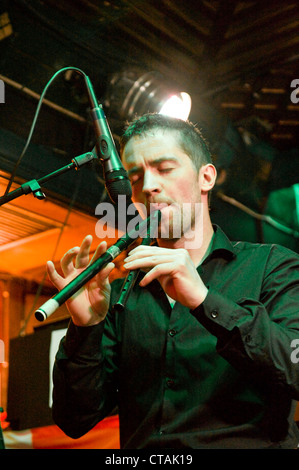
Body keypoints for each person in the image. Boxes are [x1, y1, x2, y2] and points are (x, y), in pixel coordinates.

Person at [49, 113, 299, 449]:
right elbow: (73, 421)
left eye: (164, 168)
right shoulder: (125, 291)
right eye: (135, 176)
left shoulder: (272, 264)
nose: (147, 186)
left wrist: (204, 301)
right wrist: (85, 328)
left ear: (206, 177)